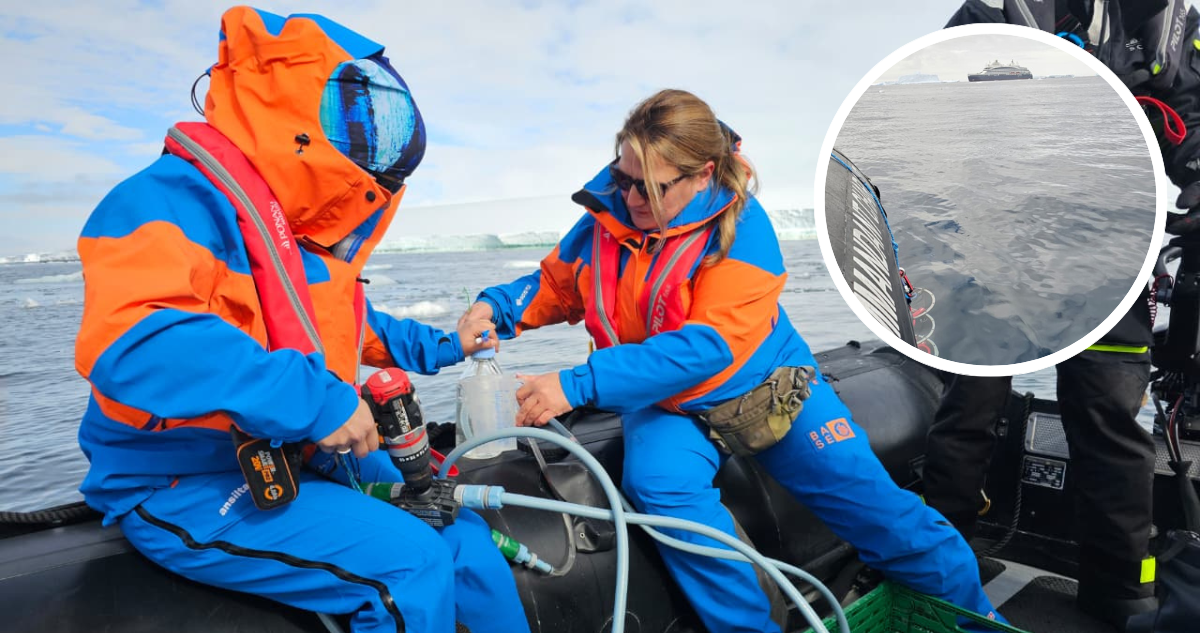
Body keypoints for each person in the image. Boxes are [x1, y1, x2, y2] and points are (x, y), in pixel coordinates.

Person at [459, 89, 1004, 632]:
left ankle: (975, 620)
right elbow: (557, 285)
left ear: (704, 174)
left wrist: (575, 385)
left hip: (766, 386)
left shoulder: (746, 230)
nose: (630, 197)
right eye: (622, 177)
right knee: (661, 489)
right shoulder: (608, 217)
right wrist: (496, 307)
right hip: (664, 403)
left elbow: (708, 347)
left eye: (650, 186)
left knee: (874, 507)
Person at [73, 8, 529, 633]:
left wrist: (448, 344)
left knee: (461, 532)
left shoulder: (299, 238)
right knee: (411, 563)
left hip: (298, 450)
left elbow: (350, 326)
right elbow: (135, 341)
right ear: (300, 117)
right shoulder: (160, 201)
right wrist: (314, 401)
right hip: (182, 476)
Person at [924, 1, 1200, 629]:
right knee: (969, 406)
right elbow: (941, 95)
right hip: (991, 238)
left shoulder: (1170, 21)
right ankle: (938, 573)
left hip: (1105, 241)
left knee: (1110, 417)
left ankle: (1121, 593)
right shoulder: (995, 7)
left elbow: (1190, 112)